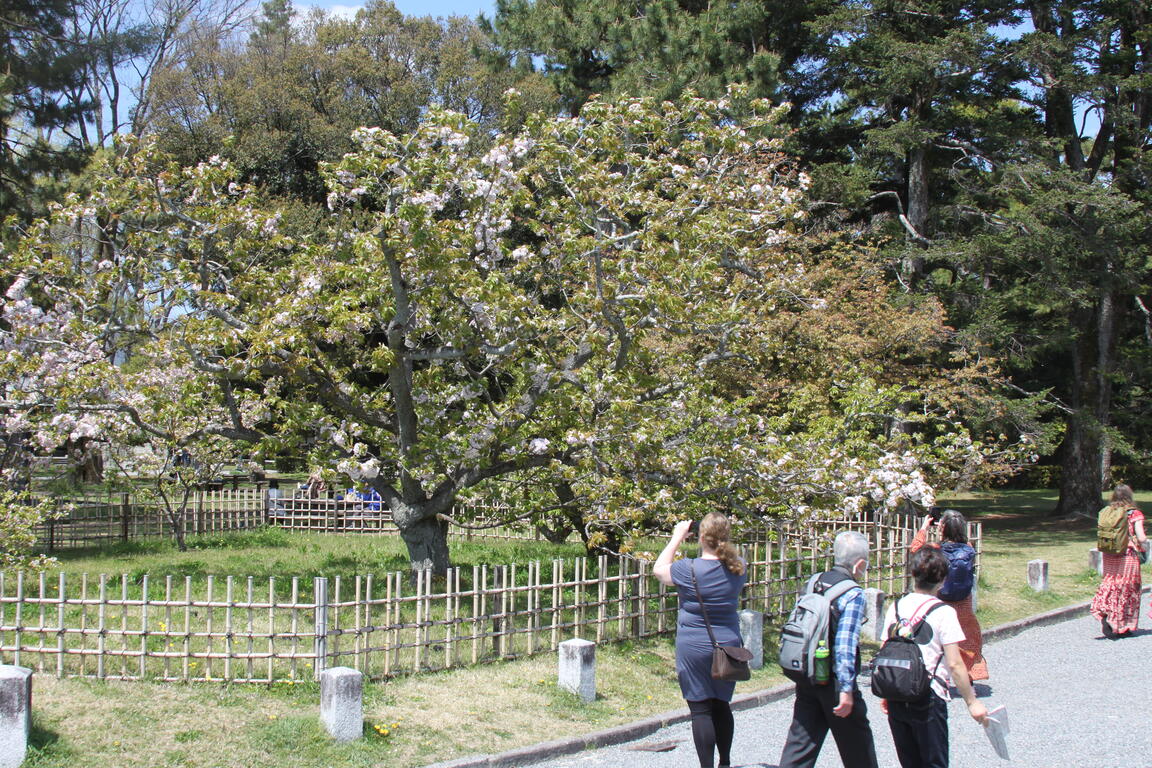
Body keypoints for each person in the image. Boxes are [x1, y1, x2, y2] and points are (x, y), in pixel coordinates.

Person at [880, 547, 989, 768]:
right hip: (928, 695)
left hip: (898, 694)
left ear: (912, 575)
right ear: (942, 580)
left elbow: (886, 648)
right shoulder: (943, 612)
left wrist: (887, 690)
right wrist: (972, 702)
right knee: (934, 762)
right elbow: (955, 663)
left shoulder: (896, 607)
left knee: (909, 762)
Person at [778, 530, 879, 768]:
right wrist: (846, 690)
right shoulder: (853, 594)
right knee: (858, 747)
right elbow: (845, 644)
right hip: (833, 680)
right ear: (860, 564)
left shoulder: (815, 581)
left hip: (808, 673)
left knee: (801, 743)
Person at [654, 513, 747, 768]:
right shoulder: (738, 566)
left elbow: (659, 570)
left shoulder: (688, 569)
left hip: (693, 643)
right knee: (721, 704)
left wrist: (676, 538)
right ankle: (725, 762)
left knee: (701, 709)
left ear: (701, 537)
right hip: (728, 643)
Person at [909, 509, 988, 680]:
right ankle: (970, 673)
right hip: (963, 602)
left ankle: (935, 675)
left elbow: (915, 549)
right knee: (967, 639)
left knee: (936, 639)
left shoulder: (935, 550)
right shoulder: (968, 549)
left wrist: (924, 528)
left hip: (939, 600)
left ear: (942, 528)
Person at [1090, 484, 1146, 637]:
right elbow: (1141, 537)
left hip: (1109, 554)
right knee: (1127, 589)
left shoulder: (1107, 512)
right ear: (1130, 496)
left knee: (1111, 583)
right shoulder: (1134, 514)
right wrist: (1144, 544)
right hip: (1127, 554)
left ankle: (1104, 611)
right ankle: (1122, 626)